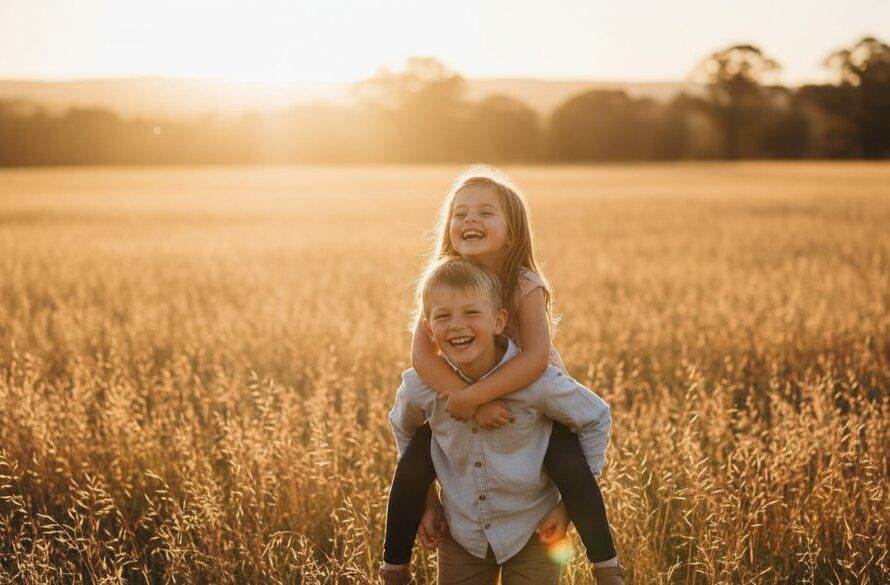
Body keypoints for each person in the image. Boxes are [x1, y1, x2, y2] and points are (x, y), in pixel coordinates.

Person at [380, 166, 625, 584]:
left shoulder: (523, 282)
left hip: (532, 397)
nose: (470, 220)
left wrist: (478, 398)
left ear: (511, 233)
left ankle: (607, 567)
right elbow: (421, 353)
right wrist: (468, 400)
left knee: (568, 462)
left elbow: (535, 360)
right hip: (461, 390)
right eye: (460, 213)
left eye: (485, 213)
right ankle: (393, 568)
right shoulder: (443, 282)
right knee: (419, 452)